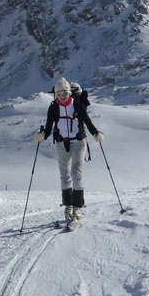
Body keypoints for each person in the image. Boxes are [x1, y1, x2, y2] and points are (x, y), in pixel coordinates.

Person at [35, 77, 104, 222]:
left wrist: (96, 133)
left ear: (69, 93)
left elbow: (87, 121)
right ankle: (68, 206)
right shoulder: (53, 108)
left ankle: (78, 207)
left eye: (65, 93)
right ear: (55, 95)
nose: (62, 97)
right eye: (59, 94)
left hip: (78, 142)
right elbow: (48, 128)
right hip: (61, 144)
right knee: (65, 176)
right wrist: (42, 135)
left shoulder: (77, 104)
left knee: (76, 173)